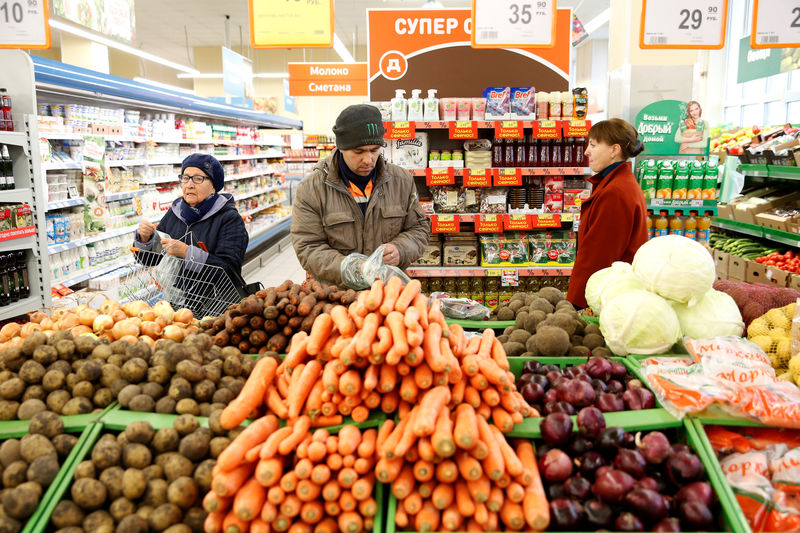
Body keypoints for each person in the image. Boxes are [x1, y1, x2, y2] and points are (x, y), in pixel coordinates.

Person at [291, 104, 431, 287]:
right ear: (341, 147)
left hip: (387, 295)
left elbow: (419, 229)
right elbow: (307, 246)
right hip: (335, 297)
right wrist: (351, 268)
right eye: (358, 152)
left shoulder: (401, 181)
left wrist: (400, 249)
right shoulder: (311, 189)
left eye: (374, 150)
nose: (368, 160)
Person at [134, 153, 249, 313]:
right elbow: (150, 259)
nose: (189, 185)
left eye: (198, 179)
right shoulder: (175, 213)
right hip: (177, 306)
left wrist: (188, 253)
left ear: (214, 186)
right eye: (185, 178)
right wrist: (145, 239)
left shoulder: (229, 218)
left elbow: (229, 270)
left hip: (216, 307)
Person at [566, 119, 649, 309]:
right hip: (614, 292)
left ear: (614, 150)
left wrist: (575, 303)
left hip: (608, 296)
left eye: (593, 145)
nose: (587, 151)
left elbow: (599, 257)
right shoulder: (617, 184)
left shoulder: (616, 192)